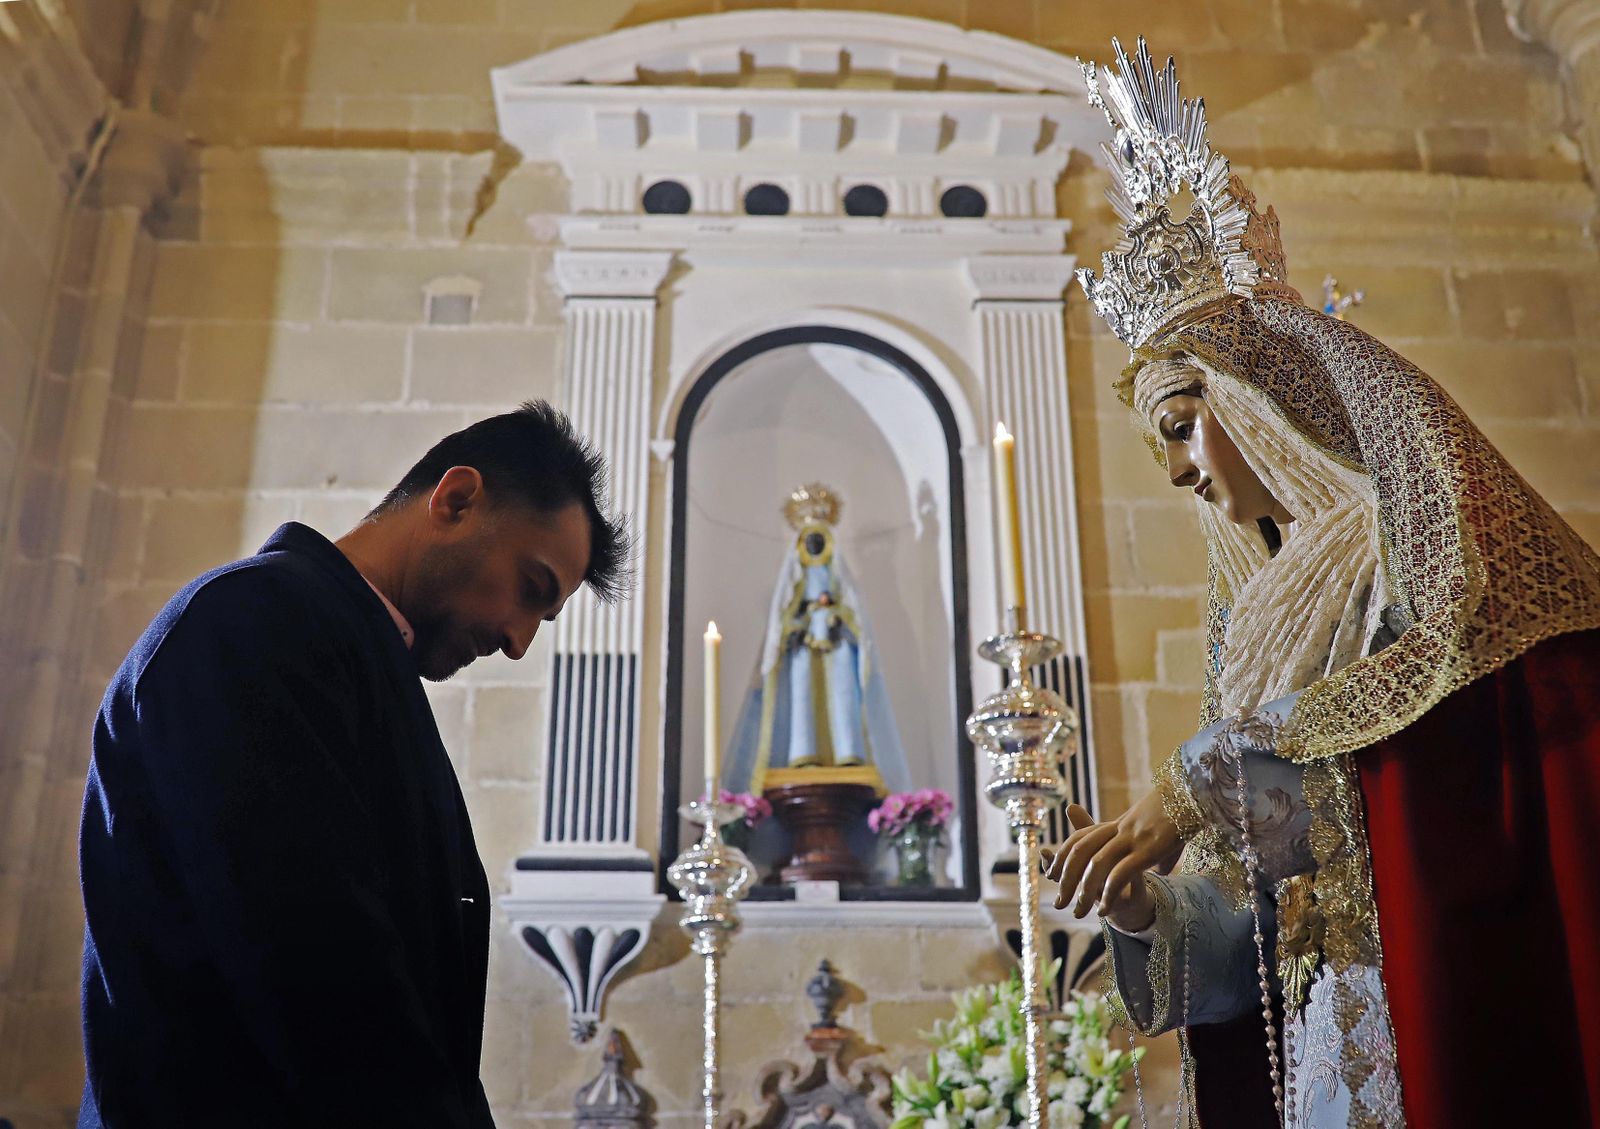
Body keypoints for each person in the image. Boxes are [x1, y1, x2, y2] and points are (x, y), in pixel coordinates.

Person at [1044, 39, 1600, 1128]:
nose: (1176, 470)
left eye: (1178, 425)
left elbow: (1457, 706)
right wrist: (1150, 909)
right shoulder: (1255, 616)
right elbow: (1249, 932)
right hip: (1329, 1052)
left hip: (1453, 1000)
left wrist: (1200, 784)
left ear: (1256, 399)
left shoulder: (1421, 538)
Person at [78, 401, 628, 1128]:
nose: (520, 640)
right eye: (531, 588)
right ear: (456, 499)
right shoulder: (255, 621)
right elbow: (319, 978)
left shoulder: (348, 654)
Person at [721, 483, 910, 796]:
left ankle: (848, 754)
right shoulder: (793, 581)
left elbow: (858, 623)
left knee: (843, 698)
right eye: (809, 540)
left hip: (837, 653)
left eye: (819, 539)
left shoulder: (841, 579)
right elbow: (781, 622)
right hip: (802, 653)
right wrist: (796, 627)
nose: (814, 545)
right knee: (802, 700)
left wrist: (840, 620)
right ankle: (802, 754)